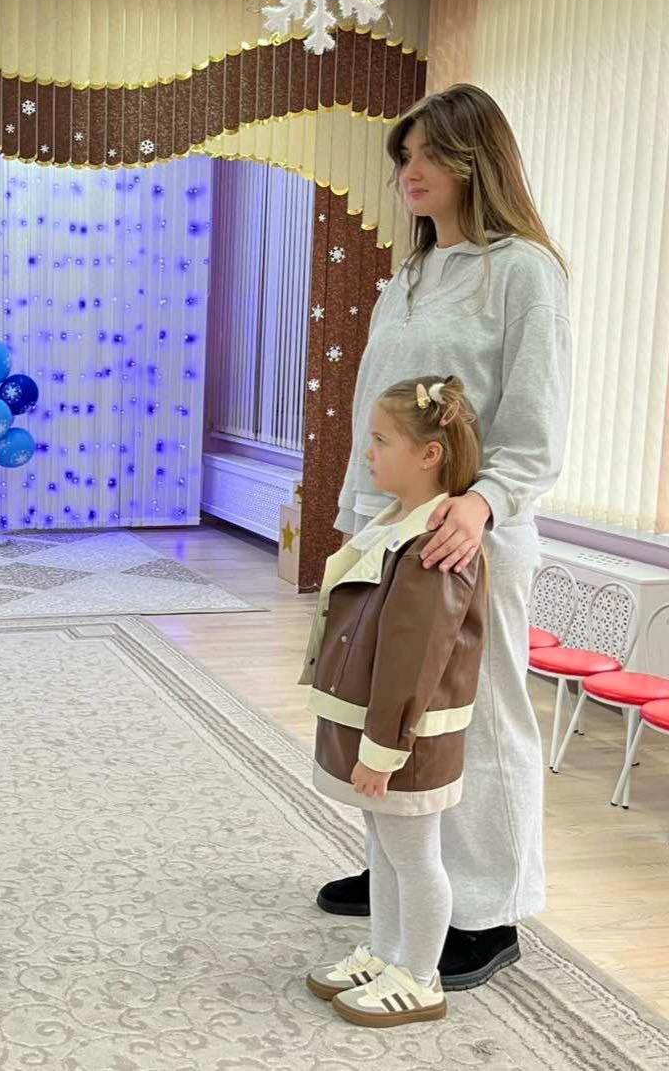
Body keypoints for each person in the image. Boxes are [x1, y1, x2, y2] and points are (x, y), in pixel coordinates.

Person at [315, 83, 572, 991]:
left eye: (429, 155)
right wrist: (357, 524)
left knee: (480, 718)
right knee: (384, 703)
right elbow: (375, 414)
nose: (409, 172)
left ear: (476, 160)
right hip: (388, 530)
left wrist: (486, 502)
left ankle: (487, 910)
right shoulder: (409, 277)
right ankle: (402, 860)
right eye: (404, 157)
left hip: (471, 536)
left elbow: (536, 425)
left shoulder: (524, 273)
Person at [303, 376, 487, 1027]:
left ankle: (420, 978)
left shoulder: (431, 545)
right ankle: (385, 955)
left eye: (381, 441)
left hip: (408, 738)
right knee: (383, 848)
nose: (368, 453)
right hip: (383, 729)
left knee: (414, 856)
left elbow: (413, 659)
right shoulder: (394, 524)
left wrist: (383, 749)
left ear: (429, 454)